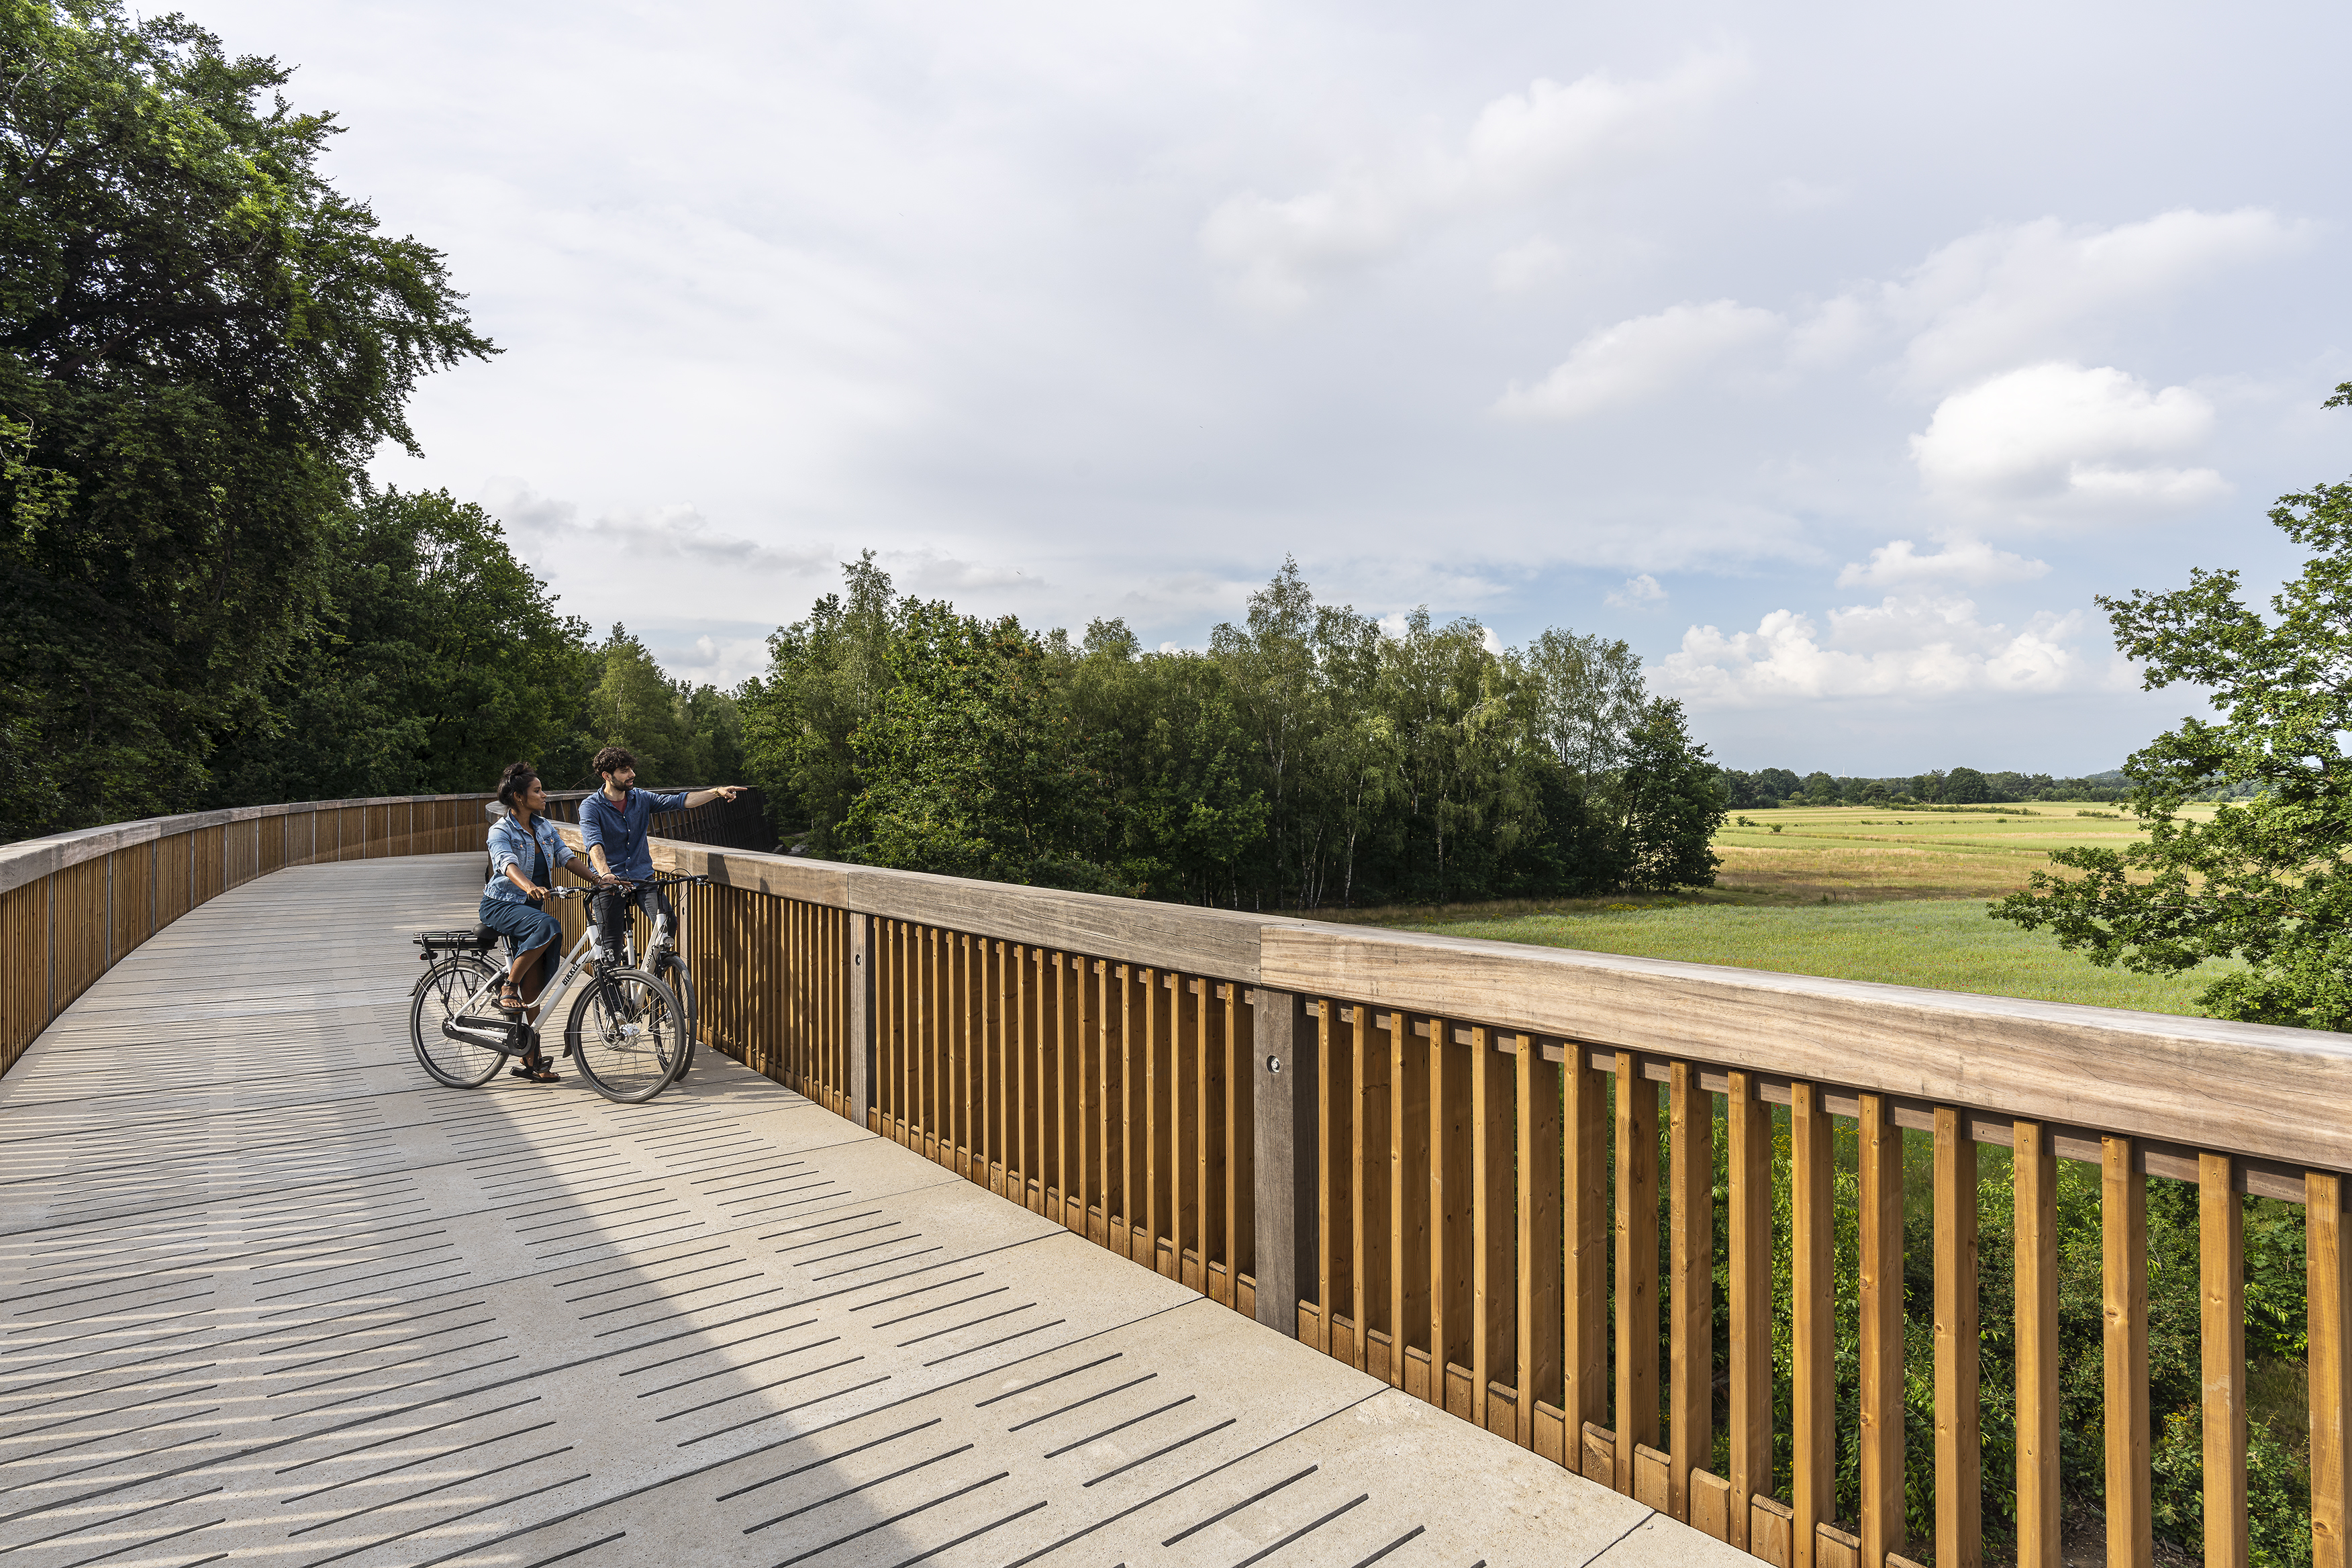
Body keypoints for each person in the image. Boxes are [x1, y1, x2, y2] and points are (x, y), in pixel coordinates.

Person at [481, 761, 609, 1083]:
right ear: (519, 797)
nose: (544, 795)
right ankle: (508, 986)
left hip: (532, 908)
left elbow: (567, 856)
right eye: (537, 791)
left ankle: (530, 1056)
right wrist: (530, 887)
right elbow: (506, 864)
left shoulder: (543, 826)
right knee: (549, 926)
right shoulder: (501, 830)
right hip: (503, 904)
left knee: (536, 989)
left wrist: (600, 879)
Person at [578, 746, 743, 963]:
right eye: (624, 771)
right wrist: (605, 873)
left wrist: (716, 792)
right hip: (611, 881)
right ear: (607, 776)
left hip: (641, 878)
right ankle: (612, 992)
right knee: (611, 948)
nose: (632, 775)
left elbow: (681, 801)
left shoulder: (641, 799)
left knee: (668, 921)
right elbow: (594, 844)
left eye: (631, 769)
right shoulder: (591, 806)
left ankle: (653, 978)